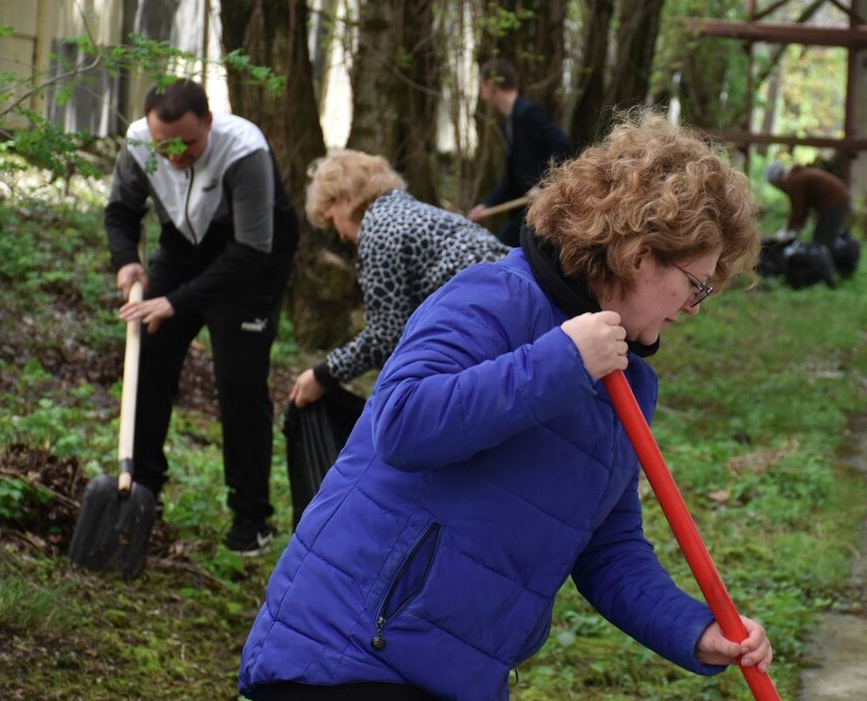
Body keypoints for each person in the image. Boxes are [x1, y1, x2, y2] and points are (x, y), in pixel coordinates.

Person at [239, 112, 769, 701]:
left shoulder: (628, 382)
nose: (696, 307)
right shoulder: (494, 297)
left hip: (464, 669)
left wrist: (695, 628)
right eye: (697, 284)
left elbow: (608, 550)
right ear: (643, 254)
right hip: (356, 642)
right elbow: (402, 421)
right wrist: (561, 362)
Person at [104, 79, 298, 555]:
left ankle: (251, 517)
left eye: (187, 143)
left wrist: (175, 302)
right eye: (163, 144)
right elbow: (120, 212)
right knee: (149, 360)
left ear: (209, 122)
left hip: (252, 260)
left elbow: (252, 251)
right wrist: (126, 258)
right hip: (182, 249)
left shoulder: (244, 151)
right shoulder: (139, 144)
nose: (173, 155)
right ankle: (143, 493)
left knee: (240, 383)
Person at [289, 150, 509, 408]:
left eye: (331, 218)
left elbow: (385, 336)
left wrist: (322, 375)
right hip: (514, 315)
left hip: (486, 332)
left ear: (345, 200)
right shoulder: (413, 212)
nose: (339, 234)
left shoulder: (378, 228)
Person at [467, 58, 573, 247]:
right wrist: (487, 205)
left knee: (499, 248)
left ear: (492, 85)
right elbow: (511, 178)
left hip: (543, 211)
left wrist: (542, 186)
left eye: (482, 84)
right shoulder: (508, 123)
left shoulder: (528, 114)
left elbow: (563, 147)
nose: (482, 93)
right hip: (527, 211)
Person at [764, 160, 851, 247]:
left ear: (778, 180)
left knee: (822, 239)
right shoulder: (795, 176)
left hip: (836, 202)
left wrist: (787, 231)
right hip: (838, 200)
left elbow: (798, 209)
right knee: (823, 236)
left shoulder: (794, 181)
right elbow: (802, 208)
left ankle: (825, 259)